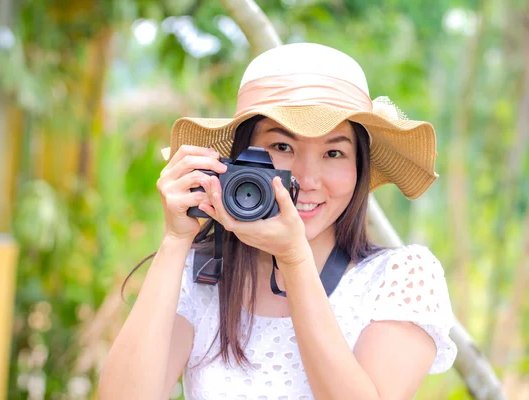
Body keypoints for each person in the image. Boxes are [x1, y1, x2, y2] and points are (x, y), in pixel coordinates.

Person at [99, 43, 457, 400]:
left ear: (359, 169)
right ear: (239, 160)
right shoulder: (203, 274)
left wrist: (294, 259)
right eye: (282, 147)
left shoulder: (400, 278)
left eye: (334, 152)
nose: (307, 177)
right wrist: (175, 241)